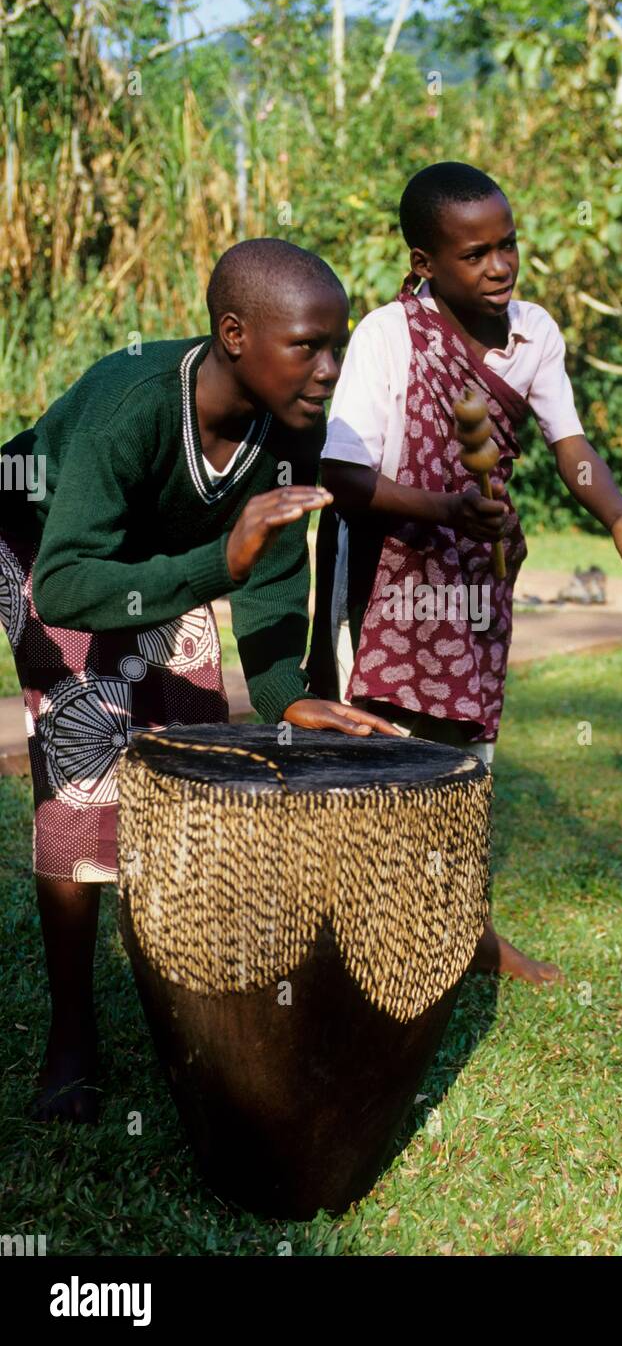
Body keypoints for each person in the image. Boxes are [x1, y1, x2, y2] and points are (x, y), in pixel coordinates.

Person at [0, 238, 397, 1122]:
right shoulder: (130, 405)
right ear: (232, 334)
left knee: (190, 749)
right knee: (86, 762)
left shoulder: (292, 424)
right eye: (308, 345)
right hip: (46, 542)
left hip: (157, 555)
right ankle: (73, 1033)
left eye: (337, 345)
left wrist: (287, 688)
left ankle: (190, 1005)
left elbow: (272, 569)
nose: (330, 369)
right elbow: (66, 582)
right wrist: (219, 558)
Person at [310, 161, 622, 984]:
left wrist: (618, 513)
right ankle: (362, 944)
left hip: (478, 575)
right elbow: (342, 477)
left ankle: (471, 935)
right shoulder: (386, 336)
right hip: (386, 575)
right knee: (377, 752)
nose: (501, 266)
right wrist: (446, 510)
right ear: (424, 263)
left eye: (508, 245)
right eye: (476, 253)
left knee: (471, 752)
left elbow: (569, 446)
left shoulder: (534, 334)